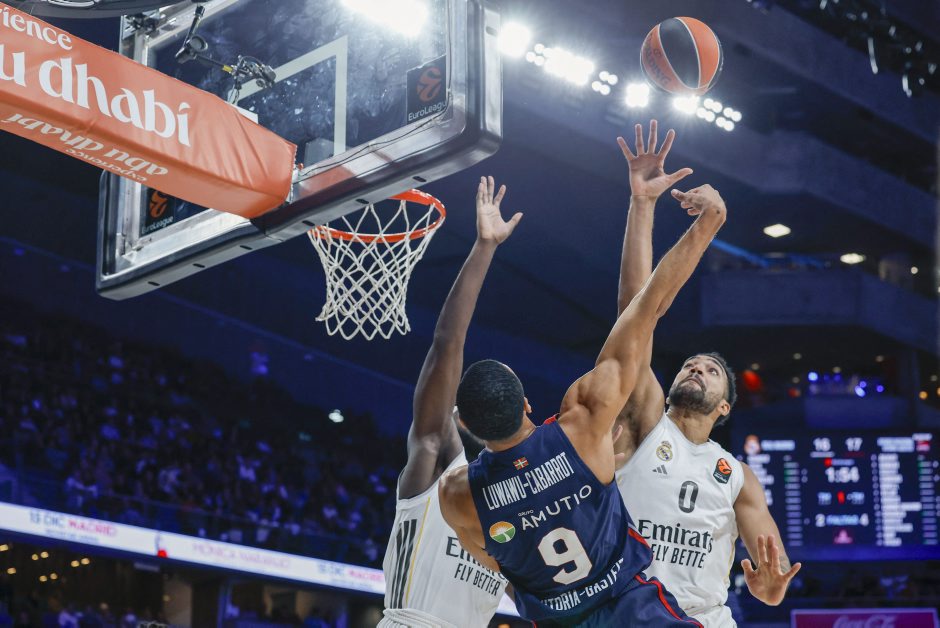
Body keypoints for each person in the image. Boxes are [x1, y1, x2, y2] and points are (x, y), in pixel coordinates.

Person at [439, 168, 729, 626]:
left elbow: (504, 571)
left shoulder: (457, 496)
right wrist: (709, 221)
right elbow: (646, 306)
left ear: (466, 425)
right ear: (526, 403)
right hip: (634, 612)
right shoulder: (582, 424)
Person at [612, 121, 801, 627]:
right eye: (690, 364)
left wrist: (771, 587)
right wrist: (643, 204)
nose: (697, 366)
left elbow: (774, 572)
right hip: (634, 616)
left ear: (724, 407)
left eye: (712, 370)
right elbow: (635, 313)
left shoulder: (737, 476)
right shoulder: (645, 423)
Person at [379, 177, 521, 628]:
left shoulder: (516, 506)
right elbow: (447, 344)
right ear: (459, 415)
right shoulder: (436, 459)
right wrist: (484, 248)